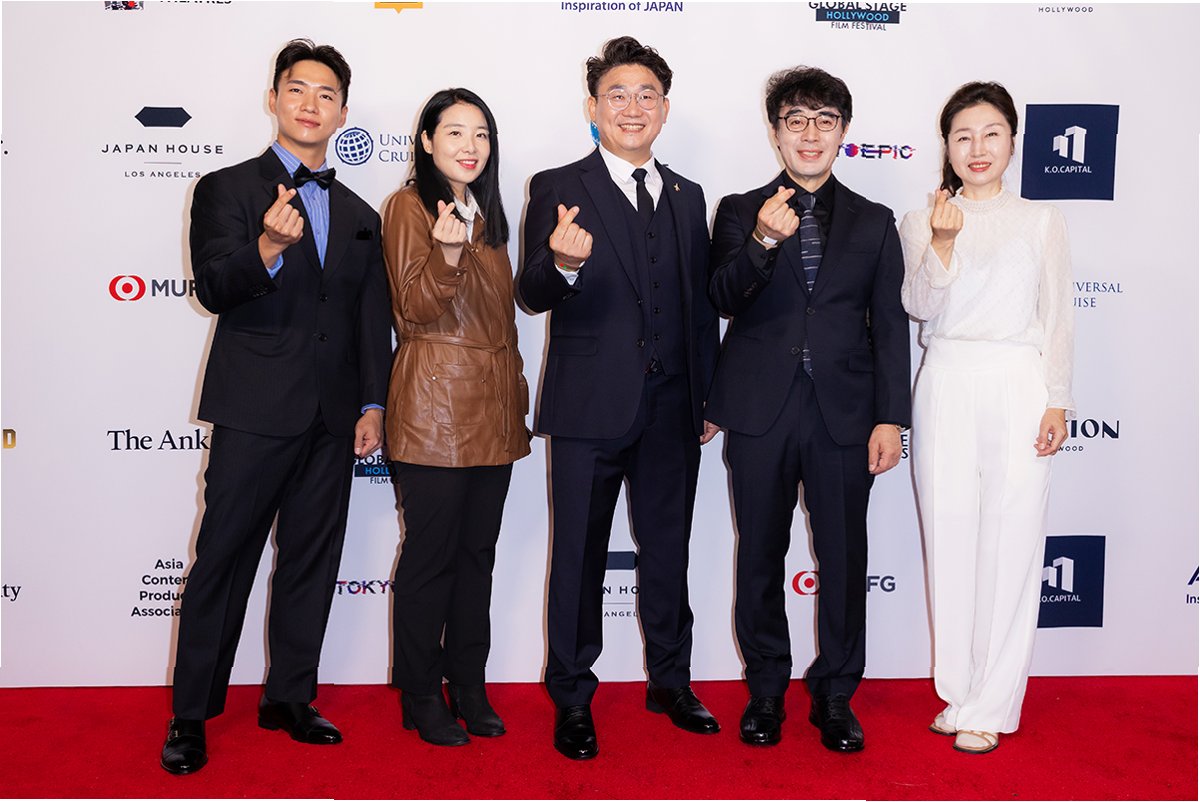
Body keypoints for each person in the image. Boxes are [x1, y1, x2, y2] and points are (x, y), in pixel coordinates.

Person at [160, 39, 392, 775]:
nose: (310, 104)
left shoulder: (360, 213)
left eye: (326, 94)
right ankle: (191, 713)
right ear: (273, 99)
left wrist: (372, 403)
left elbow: (369, 321)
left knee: (312, 562)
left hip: (332, 420)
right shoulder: (226, 189)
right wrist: (264, 247)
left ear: (343, 113)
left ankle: (289, 697)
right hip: (254, 409)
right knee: (223, 561)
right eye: (297, 89)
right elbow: (212, 288)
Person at [518, 36, 721, 761]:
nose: (632, 108)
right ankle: (573, 695)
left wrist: (708, 396)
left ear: (664, 108)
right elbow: (530, 291)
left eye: (646, 96)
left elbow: (699, 306)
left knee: (669, 550)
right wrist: (562, 264)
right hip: (588, 408)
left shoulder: (688, 195)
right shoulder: (556, 183)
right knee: (578, 555)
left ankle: (671, 681)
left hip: (673, 407)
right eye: (617, 95)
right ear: (593, 107)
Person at [705, 66, 911, 752]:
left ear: (844, 132)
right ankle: (766, 690)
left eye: (825, 121)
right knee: (760, 555)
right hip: (759, 409)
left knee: (845, 558)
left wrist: (891, 417)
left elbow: (889, 326)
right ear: (775, 133)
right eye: (796, 121)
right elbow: (722, 298)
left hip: (845, 415)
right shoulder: (740, 210)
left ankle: (835, 695)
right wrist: (763, 241)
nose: (811, 134)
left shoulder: (876, 222)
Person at [899, 81, 1074, 755]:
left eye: (991, 133)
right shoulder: (921, 220)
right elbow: (918, 306)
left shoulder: (1040, 220)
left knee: (1012, 539)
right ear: (946, 146)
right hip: (945, 378)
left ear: (1013, 141)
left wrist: (1058, 398)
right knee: (948, 537)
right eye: (963, 136)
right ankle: (960, 692)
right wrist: (943, 244)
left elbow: (1058, 315)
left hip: (1018, 381)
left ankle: (992, 704)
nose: (978, 148)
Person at [381, 88, 530, 747]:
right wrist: (444, 256)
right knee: (430, 561)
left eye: (481, 134)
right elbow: (413, 310)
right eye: (455, 132)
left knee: (477, 560)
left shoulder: (485, 214)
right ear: (426, 141)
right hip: (435, 411)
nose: (470, 146)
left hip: (493, 412)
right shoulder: (408, 206)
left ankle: (469, 683)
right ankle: (420, 693)